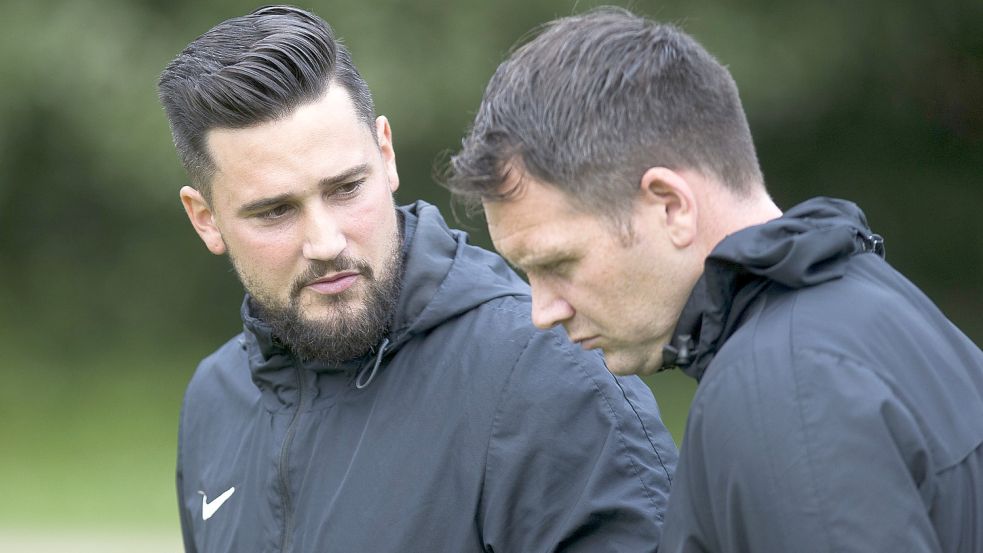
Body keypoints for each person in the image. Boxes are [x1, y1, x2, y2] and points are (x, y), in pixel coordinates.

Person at [445, 7, 983, 553]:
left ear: (671, 206)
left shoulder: (780, 391)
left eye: (559, 264)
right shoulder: (872, 306)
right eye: (526, 275)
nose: (543, 311)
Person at [156, 5, 677, 553]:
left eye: (346, 188)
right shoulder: (217, 399)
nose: (326, 242)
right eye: (275, 212)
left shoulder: (551, 377)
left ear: (385, 155)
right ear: (205, 218)